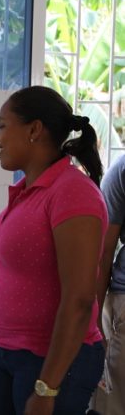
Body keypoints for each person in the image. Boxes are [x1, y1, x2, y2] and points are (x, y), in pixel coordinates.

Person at [0, 85, 108, 415]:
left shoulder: (73, 193)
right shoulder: (27, 192)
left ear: (34, 130)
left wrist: (48, 387)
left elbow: (79, 300)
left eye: (3, 125)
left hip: (51, 360)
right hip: (4, 348)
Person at [92, 153, 125, 415]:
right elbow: (103, 251)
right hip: (123, 308)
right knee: (113, 406)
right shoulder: (122, 169)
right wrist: (93, 324)